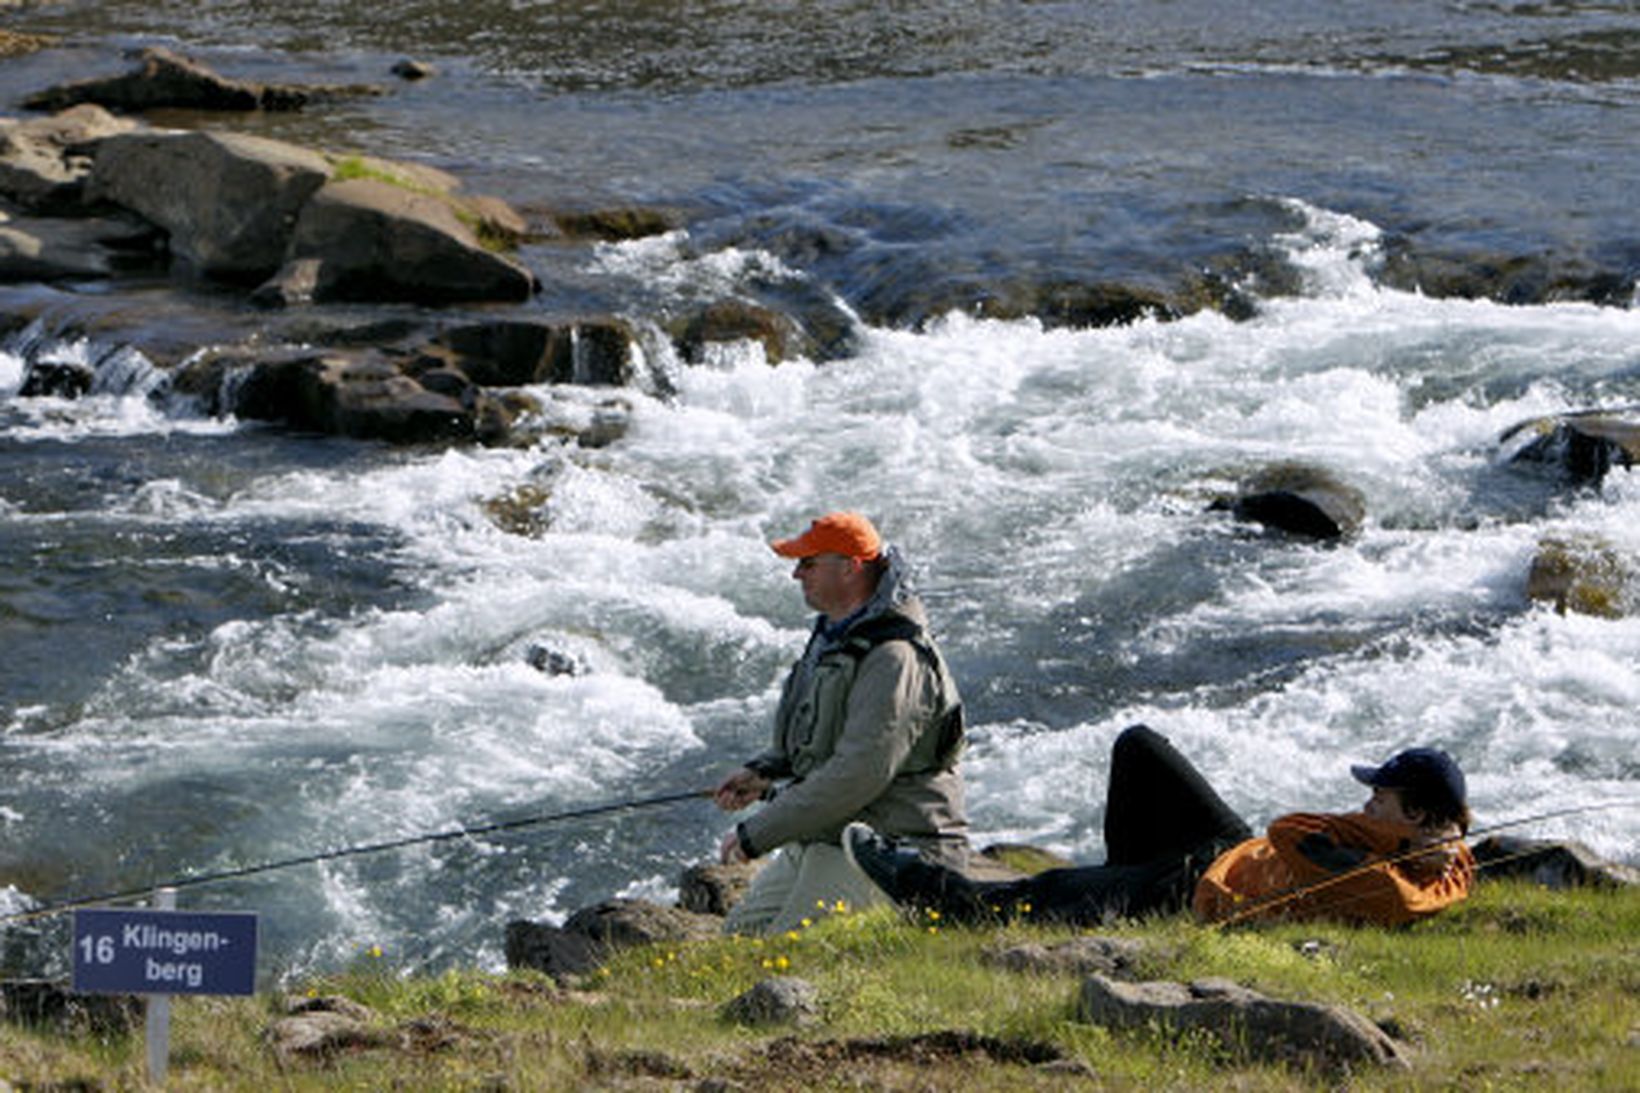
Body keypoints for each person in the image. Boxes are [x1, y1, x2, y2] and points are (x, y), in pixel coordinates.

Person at [843, 724, 1474, 929]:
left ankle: (932, 896)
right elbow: (1460, 857)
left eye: (1379, 800)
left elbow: (1291, 830)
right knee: (1138, 747)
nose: (1365, 808)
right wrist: (1409, 839)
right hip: (1233, 850)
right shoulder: (1449, 860)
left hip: (1204, 888)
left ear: (1414, 815)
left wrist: (1389, 841)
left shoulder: (1386, 885)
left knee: (1051, 893)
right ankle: (1118, 879)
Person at [714, 511, 969, 935]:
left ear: (851, 567)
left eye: (808, 563)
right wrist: (764, 771)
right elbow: (815, 739)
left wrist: (758, 833)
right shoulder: (834, 636)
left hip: (893, 850)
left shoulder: (894, 656)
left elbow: (857, 774)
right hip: (827, 836)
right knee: (736, 944)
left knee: (782, 956)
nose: (797, 574)